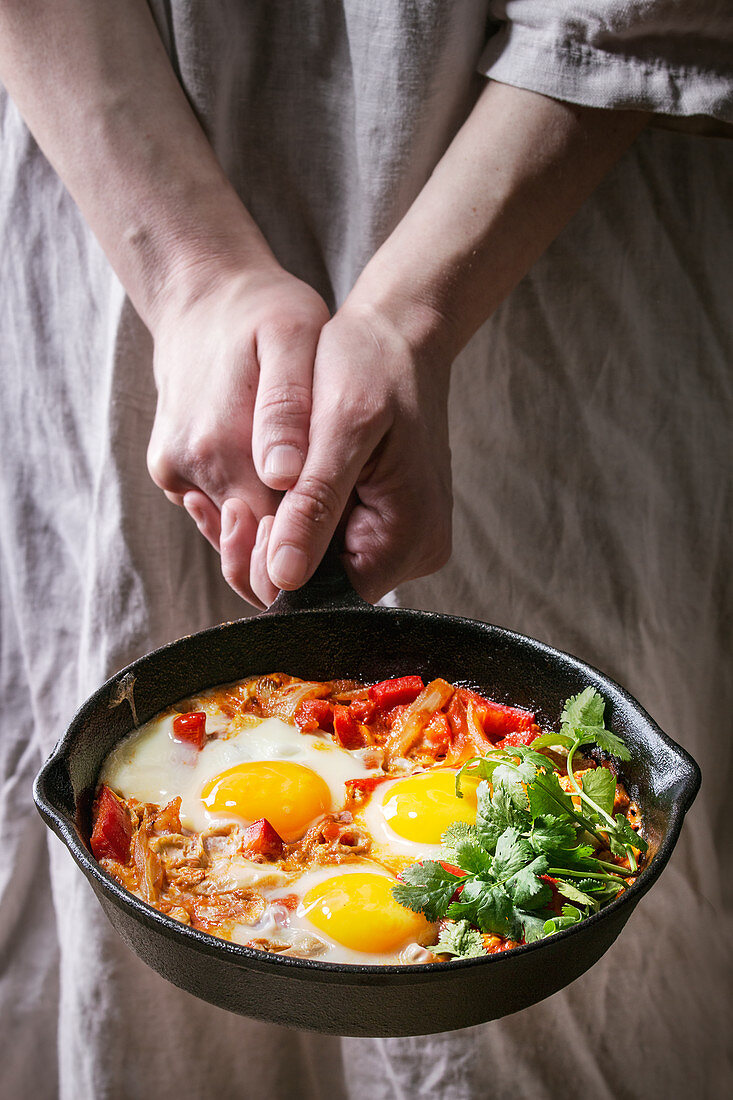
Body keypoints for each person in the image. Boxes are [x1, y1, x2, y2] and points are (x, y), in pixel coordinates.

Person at [0, 2, 730, 1097]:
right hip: (111, 186)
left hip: (546, 227)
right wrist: (190, 278)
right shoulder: (177, 818)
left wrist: (419, 311)